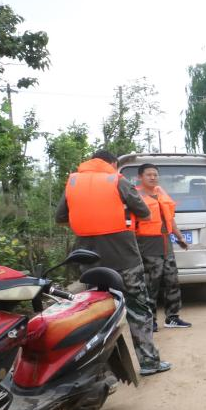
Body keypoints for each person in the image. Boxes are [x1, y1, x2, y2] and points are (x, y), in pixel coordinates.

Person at [55, 149, 170, 375]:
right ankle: (149, 363)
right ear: (113, 163)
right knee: (138, 308)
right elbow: (145, 213)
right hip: (124, 258)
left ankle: (101, 371)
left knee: (97, 313)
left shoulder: (73, 182)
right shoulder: (117, 180)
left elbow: (60, 218)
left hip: (90, 263)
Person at [134, 163, 192, 331]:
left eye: (155, 175)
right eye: (148, 175)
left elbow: (169, 219)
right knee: (151, 285)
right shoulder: (135, 196)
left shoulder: (161, 193)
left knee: (172, 281)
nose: (153, 177)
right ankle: (150, 321)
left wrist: (179, 237)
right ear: (140, 177)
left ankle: (172, 317)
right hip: (147, 245)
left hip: (166, 243)